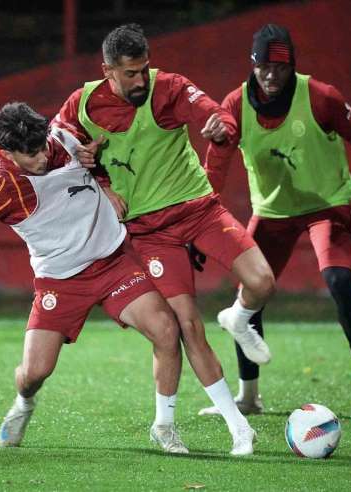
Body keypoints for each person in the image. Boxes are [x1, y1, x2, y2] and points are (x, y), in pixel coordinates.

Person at [0, 101, 194, 454]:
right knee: (35, 373)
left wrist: (106, 186)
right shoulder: (2, 184)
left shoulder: (61, 139)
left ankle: (164, 425)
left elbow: (96, 157)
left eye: (41, 148)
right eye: (30, 155)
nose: (41, 159)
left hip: (113, 262)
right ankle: (23, 403)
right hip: (61, 279)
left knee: (167, 331)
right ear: (7, 152)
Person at [55, 23, 275, 453]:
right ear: (108, 71)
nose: (141, 80)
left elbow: (218, 115)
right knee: (187, 326)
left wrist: (221, 128)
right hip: (151, 233)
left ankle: (239, 317)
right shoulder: (82, 104)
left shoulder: (170, 88)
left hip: (200, 210)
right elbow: (59, 144)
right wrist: (100, 181)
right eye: (131, 73)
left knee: (263, 280)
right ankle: (237, 428)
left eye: (144, 70)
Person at [197, 24, 351, 422]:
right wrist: (198, 225)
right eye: (265, 66)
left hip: (326, 207)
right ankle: (249, 397)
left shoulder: (321, 97)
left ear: (292, 65)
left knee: (339, 282)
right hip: (272, 213)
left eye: (281, 67)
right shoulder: (235, 106)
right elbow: (216, 170)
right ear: (253, 65)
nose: (272, 75)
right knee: (251, 292)